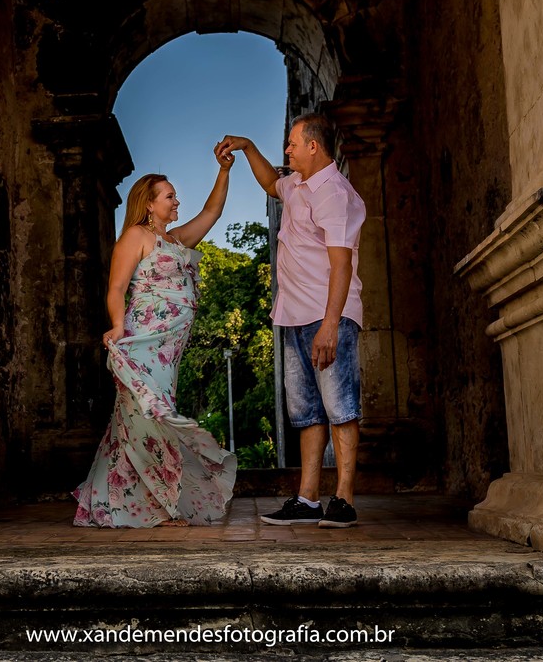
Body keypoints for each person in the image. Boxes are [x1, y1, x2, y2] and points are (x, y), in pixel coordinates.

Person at [215, 112, 365, 528]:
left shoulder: (333, 193)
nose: (287, 150)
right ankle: (308, 499)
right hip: (295, 316)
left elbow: (341, 264)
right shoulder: (298, 185)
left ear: (313, 146)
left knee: (341, 407)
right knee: (307, 413)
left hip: (327, 313)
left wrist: (331, 324)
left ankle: (345, 501)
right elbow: (268, 183)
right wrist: (247, 146)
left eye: (292, 143)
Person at [73, 151, 238, 527]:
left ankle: (131, 499)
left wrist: (224, 170)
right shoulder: (136, 236)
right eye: (169, 196)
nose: (177, 201)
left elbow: (211, 213)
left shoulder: (175, 240)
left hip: (169, 349)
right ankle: (157, 502)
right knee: (145, 414)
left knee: (142, 416)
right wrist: (117, 324)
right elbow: (116, 287)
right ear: (149, 204)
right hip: (144, 341)